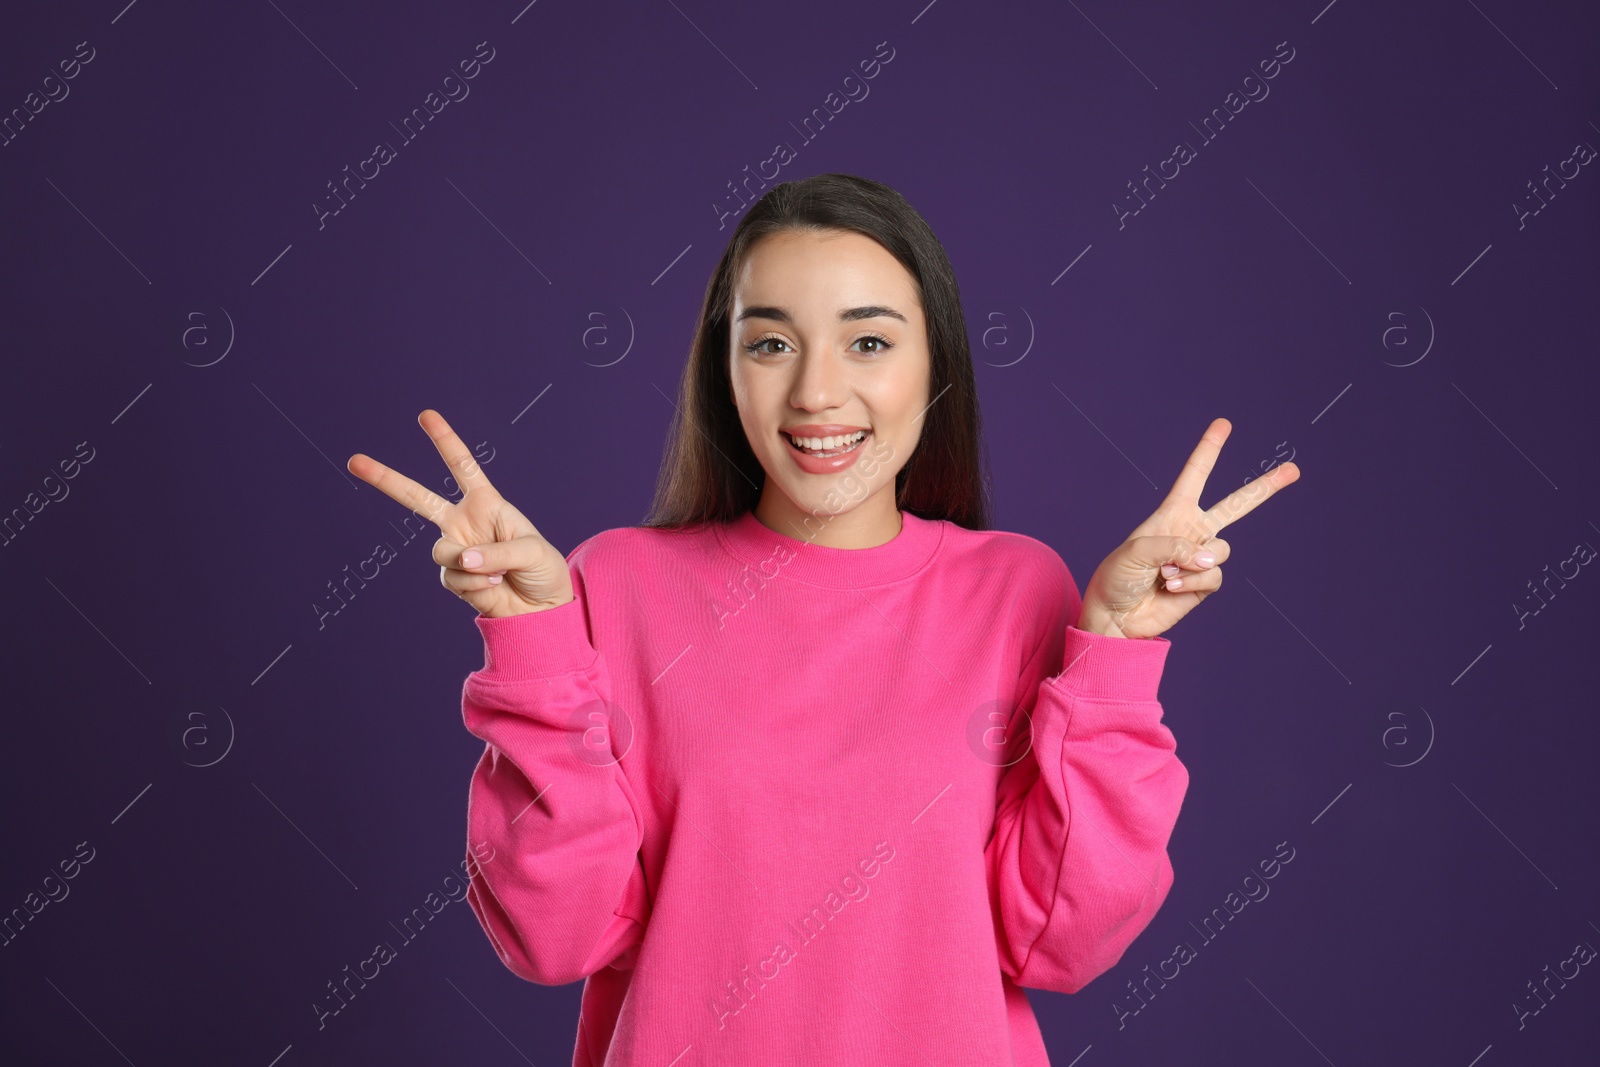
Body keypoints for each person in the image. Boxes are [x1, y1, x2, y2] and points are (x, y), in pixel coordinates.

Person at [346, 173, 1299, 1065]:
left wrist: (1115, 659)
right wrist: (534, 647)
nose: (814, 391)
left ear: (937, 369)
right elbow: (554, 936)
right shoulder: (613, 582)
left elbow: (1061, 939)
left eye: (870, 341)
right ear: (725, 369)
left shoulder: (1020, 591)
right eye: (770, 342)